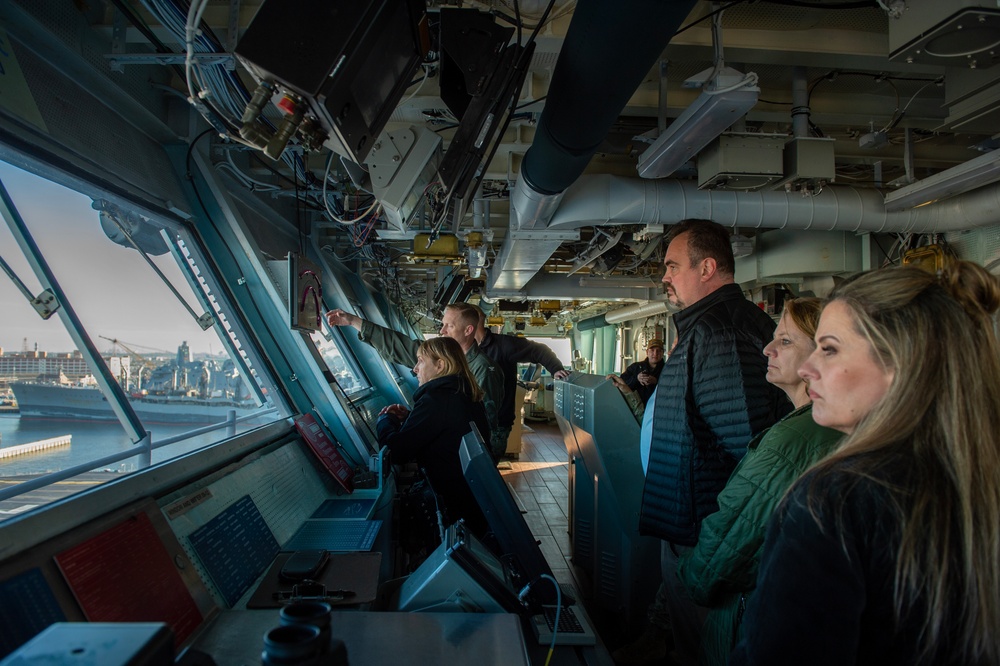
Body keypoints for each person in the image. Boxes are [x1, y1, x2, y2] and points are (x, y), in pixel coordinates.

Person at [731, 261, 1000, 666]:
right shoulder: (977, 473)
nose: (808, 369)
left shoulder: (832, 501)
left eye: (830, 349)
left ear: (900, 363)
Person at [634, 219, 790, 666]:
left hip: (708, 531)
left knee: (703, 647)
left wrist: (716, 544)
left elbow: (748, 453)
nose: (664, 276)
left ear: (706, 267)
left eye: (672, 266)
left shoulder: (720, 331)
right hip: (696, 521)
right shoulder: (709, 325)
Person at [675, 297, 842, 666]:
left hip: (747, 622)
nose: (767, 348)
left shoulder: (792, 440)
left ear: (822, 357)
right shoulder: (817, 428)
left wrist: (684, 577)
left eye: (784, 341)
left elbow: (718, 559)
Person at [327, 304, 504, 456]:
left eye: (449, 326)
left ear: (468, 330)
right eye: (442, 325)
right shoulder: (441, 363)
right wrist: (353, 321)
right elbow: (399, 345)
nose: (442, 331)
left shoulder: (482, 369)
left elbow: (479, 427)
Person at [376, 336, 491, 536]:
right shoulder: (463, 393)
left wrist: (385, 420)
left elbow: (396, 452)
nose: (415, 368)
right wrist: (410, 418)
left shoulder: (436, 400)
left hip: (452, 504)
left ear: (440, 365)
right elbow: (446, 429)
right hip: (470, 498)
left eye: (420, 361)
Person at [471, 305, 569, 459]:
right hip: (473, 421)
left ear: (470, 325)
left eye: (451, 324)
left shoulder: (503, 345)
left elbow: (539, 350)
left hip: (497, 422)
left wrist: (556, 369)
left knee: (486, 468)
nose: (445, 330)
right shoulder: (464, 350)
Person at [618, 337, 665, 406]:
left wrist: (657, 382)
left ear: (662, 353)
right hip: (637, 408)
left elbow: (672, 389)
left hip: (659, 407)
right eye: (652, 350)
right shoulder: (635, 367)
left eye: (658, 351)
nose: (655, 353)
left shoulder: (667, 370)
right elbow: (622, 382)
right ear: (647, 352)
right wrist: (636, 379)